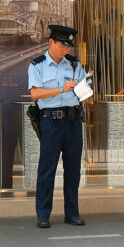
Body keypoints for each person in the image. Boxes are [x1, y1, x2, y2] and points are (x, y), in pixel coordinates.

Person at [28, 25, 87, 228]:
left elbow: (83, 90)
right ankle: (43, 214)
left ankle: (72, 213)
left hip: (72, 121)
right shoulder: (37, 65)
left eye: (68, 46)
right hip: (51, 121)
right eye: (62, 45)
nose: (65, 50)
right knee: (47, 169)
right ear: (51, 42)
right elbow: (35, 94)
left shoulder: (73, 65)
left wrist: (85, 89)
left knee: (73, 169)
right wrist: (60, 89)